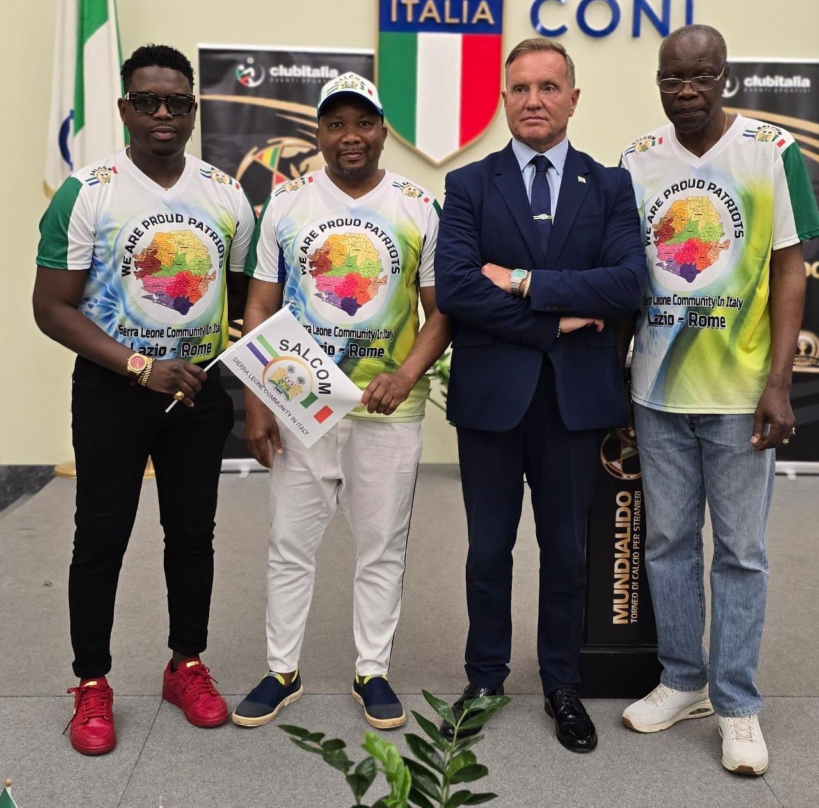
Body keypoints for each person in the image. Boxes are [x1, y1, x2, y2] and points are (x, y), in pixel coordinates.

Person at [34, 44, 255, 755]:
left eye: (177, 102)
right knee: (100, 538)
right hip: (112, 392)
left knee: (191, 536)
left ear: (194, 110)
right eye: (148, 101)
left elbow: (247, 303)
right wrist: (139, 366)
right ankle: (91, 682)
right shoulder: (88, 191)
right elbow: (51, 308)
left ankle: (185, 665)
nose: (163, 112)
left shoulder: (226, 195)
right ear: (125, 109)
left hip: (197, 396)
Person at [434, 37, 646, 753]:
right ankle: (484, 680)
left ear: (573, 99)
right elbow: (458, 289)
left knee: (566, 553)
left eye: (548, 87)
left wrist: (524, 283)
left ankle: (561, 684)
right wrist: (556, 320)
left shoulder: (608, 186)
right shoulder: (469, 185)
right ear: (504, 99)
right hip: (491, 402)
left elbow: (626, 284)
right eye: (520, 88)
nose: (533, 100)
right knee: (488, 550)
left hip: (574, 402)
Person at [619, 24, 819, 776]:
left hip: (740, 392)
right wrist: (616, 378)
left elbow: (790, 267)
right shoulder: (637, 160)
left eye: (700, 76)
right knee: (668, 544)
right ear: (658, 82)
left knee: (740, 552)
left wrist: (779, 382)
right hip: (657, 389)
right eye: (672, 78)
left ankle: (736, 704)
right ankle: (683, 681)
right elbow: (625, 275)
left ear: (724, 77)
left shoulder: (771, 151)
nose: (686, 90)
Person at [232, 72, 450, 731]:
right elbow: (259, 306)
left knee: (381, 546)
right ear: (319, 133)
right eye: (335, 124)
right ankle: (281, 670)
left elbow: (441, 312)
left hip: (387, 412)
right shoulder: (287, 203)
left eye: (362, 123)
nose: (349, 136)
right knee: (289, 542)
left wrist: (405, 375)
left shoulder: (417, 205)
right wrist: (257, 401)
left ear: (383, 131)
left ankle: (371, 671)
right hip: (303, 405)